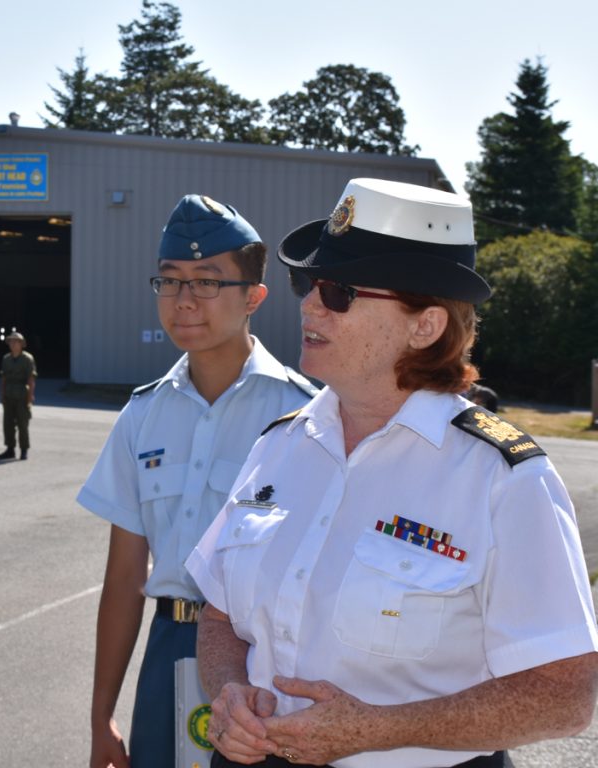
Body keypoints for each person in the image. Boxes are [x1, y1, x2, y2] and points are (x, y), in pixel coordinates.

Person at [186, 178, 598, 768]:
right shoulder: (281, 445)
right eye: (309, 284)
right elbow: (220, 614)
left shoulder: (503, 479)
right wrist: (229, 691)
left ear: (425, 326)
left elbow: (563, 697)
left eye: (339, 292)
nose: (307, 304)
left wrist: (378, 730)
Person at [78, 194, 316, 768]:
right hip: (168, 651)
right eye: (169, 281)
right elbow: (125, 576)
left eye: (207, 282)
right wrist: (100, 716)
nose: (184, 301)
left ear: (254, 296)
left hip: (265, 664)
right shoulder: (143, 415)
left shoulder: (304, 417)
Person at [0, 331, 37, 460]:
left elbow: (31, 379)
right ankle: (10, 449)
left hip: (21, 394)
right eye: (11, 342)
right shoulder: (6, 359)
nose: (13, 344)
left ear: (21, 344)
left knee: (22, 423)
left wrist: (30, 397)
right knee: (7, 423)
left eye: (16, 342)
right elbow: (3, 378)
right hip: (9, 393)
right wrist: (2, 394)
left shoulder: (27, 359)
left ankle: (24, 449)